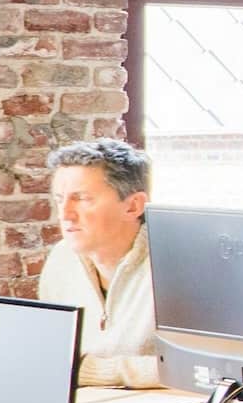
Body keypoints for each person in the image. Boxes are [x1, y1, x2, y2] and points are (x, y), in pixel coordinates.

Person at [37, 138, 164, 388]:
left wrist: (92, 370)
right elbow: (51, 356)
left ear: (133, 206)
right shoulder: (62, 259)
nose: (65, 214)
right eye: (60, 199)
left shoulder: (176, 266)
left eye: (82, 198)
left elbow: (203, 371)